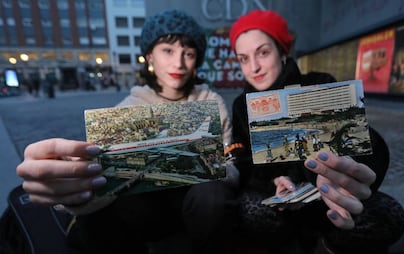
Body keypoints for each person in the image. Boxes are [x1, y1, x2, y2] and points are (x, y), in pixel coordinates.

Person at [16, 9, 238, 254]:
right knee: (100, 214)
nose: (179, 63)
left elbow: (229, 163)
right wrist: (76, 187)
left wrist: (213, 166)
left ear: (197, 60)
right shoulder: (130, 108)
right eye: (168, 50)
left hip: (196, 206)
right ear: (149, 56)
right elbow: (105, 180)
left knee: (212, 191)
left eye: (189, 53)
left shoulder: (212, 101)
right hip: (145, 211)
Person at [229, 9, 404, 253]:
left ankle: (327, 244)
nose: (254, 67)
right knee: (249, 209)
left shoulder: (319, 82)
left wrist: (353, 163)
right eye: (243, 58)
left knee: (390, 215)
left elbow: (359, 139)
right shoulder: (241, 105)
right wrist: (274, 181)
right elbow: (242, 159)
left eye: (263, 52)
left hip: (327, 199)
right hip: (280, 203)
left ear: (282, 52)